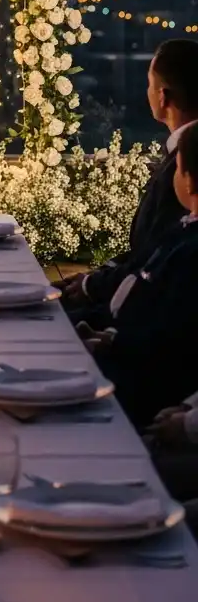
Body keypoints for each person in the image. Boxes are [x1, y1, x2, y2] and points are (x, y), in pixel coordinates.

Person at [62, 38, 198, 318]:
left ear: (163, 96)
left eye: (150, 84)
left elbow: (155, 257)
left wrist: (93, 286)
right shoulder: (179, 153)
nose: (146, 92)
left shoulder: (188, 161)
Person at [83, 119, 198, 429]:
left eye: (177, 168)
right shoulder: (182, 232)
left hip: (144, 384)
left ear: (187, 180)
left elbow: (173, 336)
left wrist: (114, 341)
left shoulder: (191, 249)